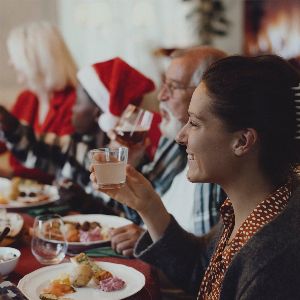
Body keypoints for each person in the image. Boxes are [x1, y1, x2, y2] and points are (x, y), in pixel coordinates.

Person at [91, 55, 300, 299]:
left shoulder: (274, 263)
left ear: (243, 141)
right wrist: (148, 205)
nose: (181, 136)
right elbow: (203, 273)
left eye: (194, 123)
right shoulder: (256, 206)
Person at [109, 46, 227, 256]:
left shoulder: (214, 162)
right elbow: (137, 213)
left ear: (206, 93)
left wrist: (151, 241)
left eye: (172, 86)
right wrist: (131, 165)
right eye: (164, 84)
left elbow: (207, 262)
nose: (161, 96)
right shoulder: (174, 143)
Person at [0, 57, 157, 215]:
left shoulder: (133, 163)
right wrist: (9, 123)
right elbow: (33, 147)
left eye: (78, 102)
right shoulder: (77, 146)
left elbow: (133, 220)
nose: (72, 108)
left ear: (97, 113)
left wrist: (87, 204)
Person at [0, 21, 77, 183]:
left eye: (15, 57)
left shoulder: (76, 105)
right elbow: (7, 140)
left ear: (38, 61)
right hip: (23, 196)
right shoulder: (26, 98)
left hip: (59, 201)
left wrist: (9, 173)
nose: (10, 63)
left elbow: (61, 165)